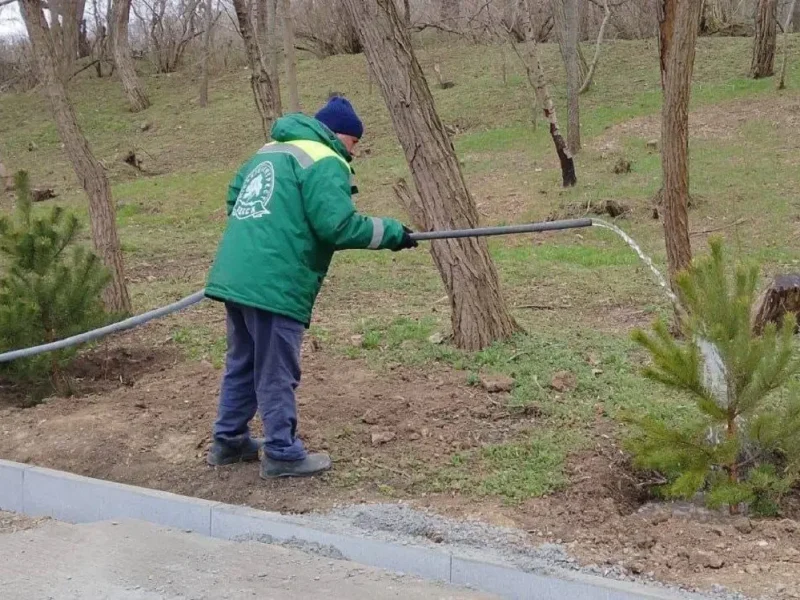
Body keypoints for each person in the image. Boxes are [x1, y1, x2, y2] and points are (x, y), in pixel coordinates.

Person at [204, 96, 418, 478]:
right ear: (342, 136)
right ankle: (282, 454)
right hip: (275, 282)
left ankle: (229, 440)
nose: (354, 153)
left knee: (244, 361)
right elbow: (337, 226)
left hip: (237, 275)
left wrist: (258, 235)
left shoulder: (270, 151)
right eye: (355, 143)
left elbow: (235, 197)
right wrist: (393, 233)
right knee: (275, 368)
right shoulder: (326, 159)